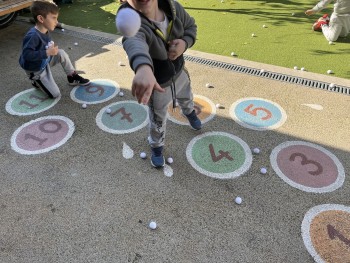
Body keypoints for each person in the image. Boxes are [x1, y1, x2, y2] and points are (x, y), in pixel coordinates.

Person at [118, 0, 201, 168]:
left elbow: (191, 26)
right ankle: (156, 146)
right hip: (158, 85)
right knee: (158, 118)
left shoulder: (173, 8)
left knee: (186, 95)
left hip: (179, 73)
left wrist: (184, 43)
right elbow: (134, 43)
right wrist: (143, 68)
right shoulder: (130, 21)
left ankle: (189, 112)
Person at [19, 1, 89, 99]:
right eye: (54, 18)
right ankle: (36, 81)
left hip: (44, 60)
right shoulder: (33, 36)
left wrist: (50, 50)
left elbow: (45, 46)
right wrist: (47, 52)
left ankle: (72, 76)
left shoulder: (45, 29)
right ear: (41, 18)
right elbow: (27, 55)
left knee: (61, 53)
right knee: (55, 95)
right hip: (36, 69)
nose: (56, 21)